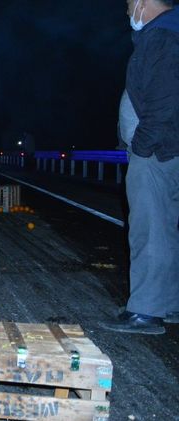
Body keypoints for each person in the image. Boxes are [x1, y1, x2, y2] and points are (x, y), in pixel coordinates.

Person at [100, 0, 179, 334]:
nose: (127, 9)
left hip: (155, 154)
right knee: (164, 228)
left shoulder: (163, 36)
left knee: (150, 230)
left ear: (145, 2)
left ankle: (146, 312)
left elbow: (165, 100)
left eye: (130, 2)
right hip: (162, 150)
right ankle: (167, 304)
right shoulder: (163, 34)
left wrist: (142, 148)